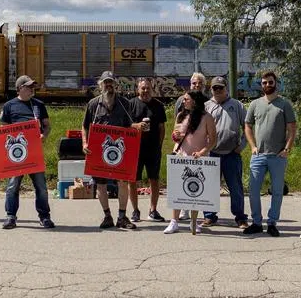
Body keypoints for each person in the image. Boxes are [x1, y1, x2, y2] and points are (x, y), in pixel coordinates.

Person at [82, 70, 141, 230]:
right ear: (100, 85)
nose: (108, 85)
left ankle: (122, 217)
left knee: (122, 182)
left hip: (120, 152)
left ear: (115, 84)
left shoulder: (125, 103)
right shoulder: (93, 104)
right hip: (98, 152)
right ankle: (107, 215)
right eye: (105, 82)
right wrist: (85, 144)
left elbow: (130, 126)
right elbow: (85, 126)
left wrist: (139, 127)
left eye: (111, 82)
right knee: (100, 185)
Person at [0, 75, 55, 230]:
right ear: (20, 88)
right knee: (12, 186)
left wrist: (44, 135)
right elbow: (3, 129)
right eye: (28, 87)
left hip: (35, 153)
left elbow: (47, 126)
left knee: (41, 186)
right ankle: (10, 216)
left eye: (32, 87)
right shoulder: (9, 106)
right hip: (16, 153)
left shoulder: (39, 105)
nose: (31, 89)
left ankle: (45, 217)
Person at [242, 71, 297, 236]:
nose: (267, 85)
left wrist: (287, 148)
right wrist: (252, 146)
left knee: (277, 191)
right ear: (261, 84)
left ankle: (272, 223)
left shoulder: (284, 104)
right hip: (258, 155)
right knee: (253, 190)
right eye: (264, 82)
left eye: (270, 82)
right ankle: (257, 222)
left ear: (276, 83)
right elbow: (247, 126)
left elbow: (292, 128)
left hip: (277, 156)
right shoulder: (255, 104)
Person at [162, 90, 217, 234]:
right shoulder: (181, 115)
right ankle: (174, 222)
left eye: (186, 99)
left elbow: (213, 140)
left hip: (197, 159)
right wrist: (175, 136)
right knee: (176, 191)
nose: (183, 101)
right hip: (180, 156)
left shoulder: (207, 117)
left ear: (194, 101)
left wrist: (202, 152)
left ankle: (193, 222)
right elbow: (175, 136)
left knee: (194, 191)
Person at [203, 75, 249, 228]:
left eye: (220, 87)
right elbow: (199, 129)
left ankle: (240, 217)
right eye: (214, 88)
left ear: (226, 89)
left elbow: (248, 127)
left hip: (232, 153)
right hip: (212, 153)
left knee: (235, 188)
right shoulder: (206, 106)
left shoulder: (237, 105)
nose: (217, 90)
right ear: (211, 89)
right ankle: (209, 216)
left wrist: (241, 146)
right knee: (210, 186)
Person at [128, 77, 167, 223]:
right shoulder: (131, 104)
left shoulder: (158, 105)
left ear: (152, 89)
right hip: (135, 149)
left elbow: (162, 128)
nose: (145, 91)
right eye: (142, 88)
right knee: (133, 180)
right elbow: (125, 124)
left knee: (154, 180)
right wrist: (136, 126)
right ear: (138, 89)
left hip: (153, 149)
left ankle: (153, 210)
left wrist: (159, 145)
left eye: (147, 88)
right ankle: (135, 210)